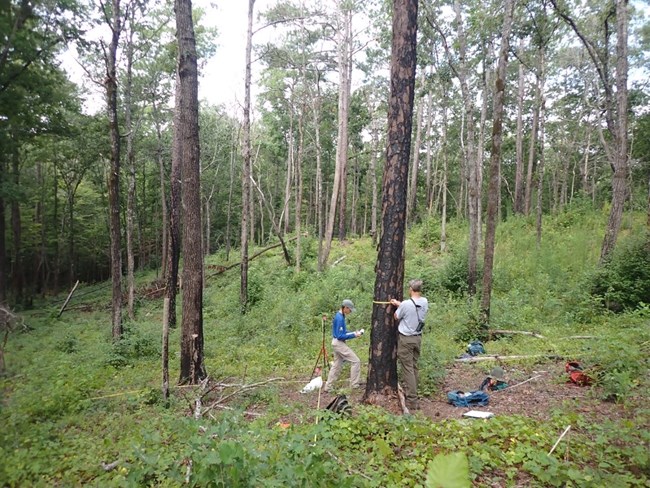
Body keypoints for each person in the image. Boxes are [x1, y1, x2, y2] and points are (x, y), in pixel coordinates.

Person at [390, 279, 428, 411]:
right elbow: (411, 307)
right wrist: (400, 304)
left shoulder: (406, 304)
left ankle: (412, 400)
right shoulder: (424, 301)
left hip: (406, 339)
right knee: (414, 367)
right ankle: (413, 394)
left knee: (408, 369)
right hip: (417, 338)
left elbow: (396, 316)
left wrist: (397, 306)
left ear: (410, 289)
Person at [323, 299, 364, 392]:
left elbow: (342, 332)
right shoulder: (339, 318)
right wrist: (354, 335)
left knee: (337, 365)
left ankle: (328, 386)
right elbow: (340, 336)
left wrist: (353, 332)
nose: (350, 312)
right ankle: (354, 384)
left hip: (336, 342)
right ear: (345, 308)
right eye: (350, 310)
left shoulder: (340, 316)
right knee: (356, 361)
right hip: (338, 343)